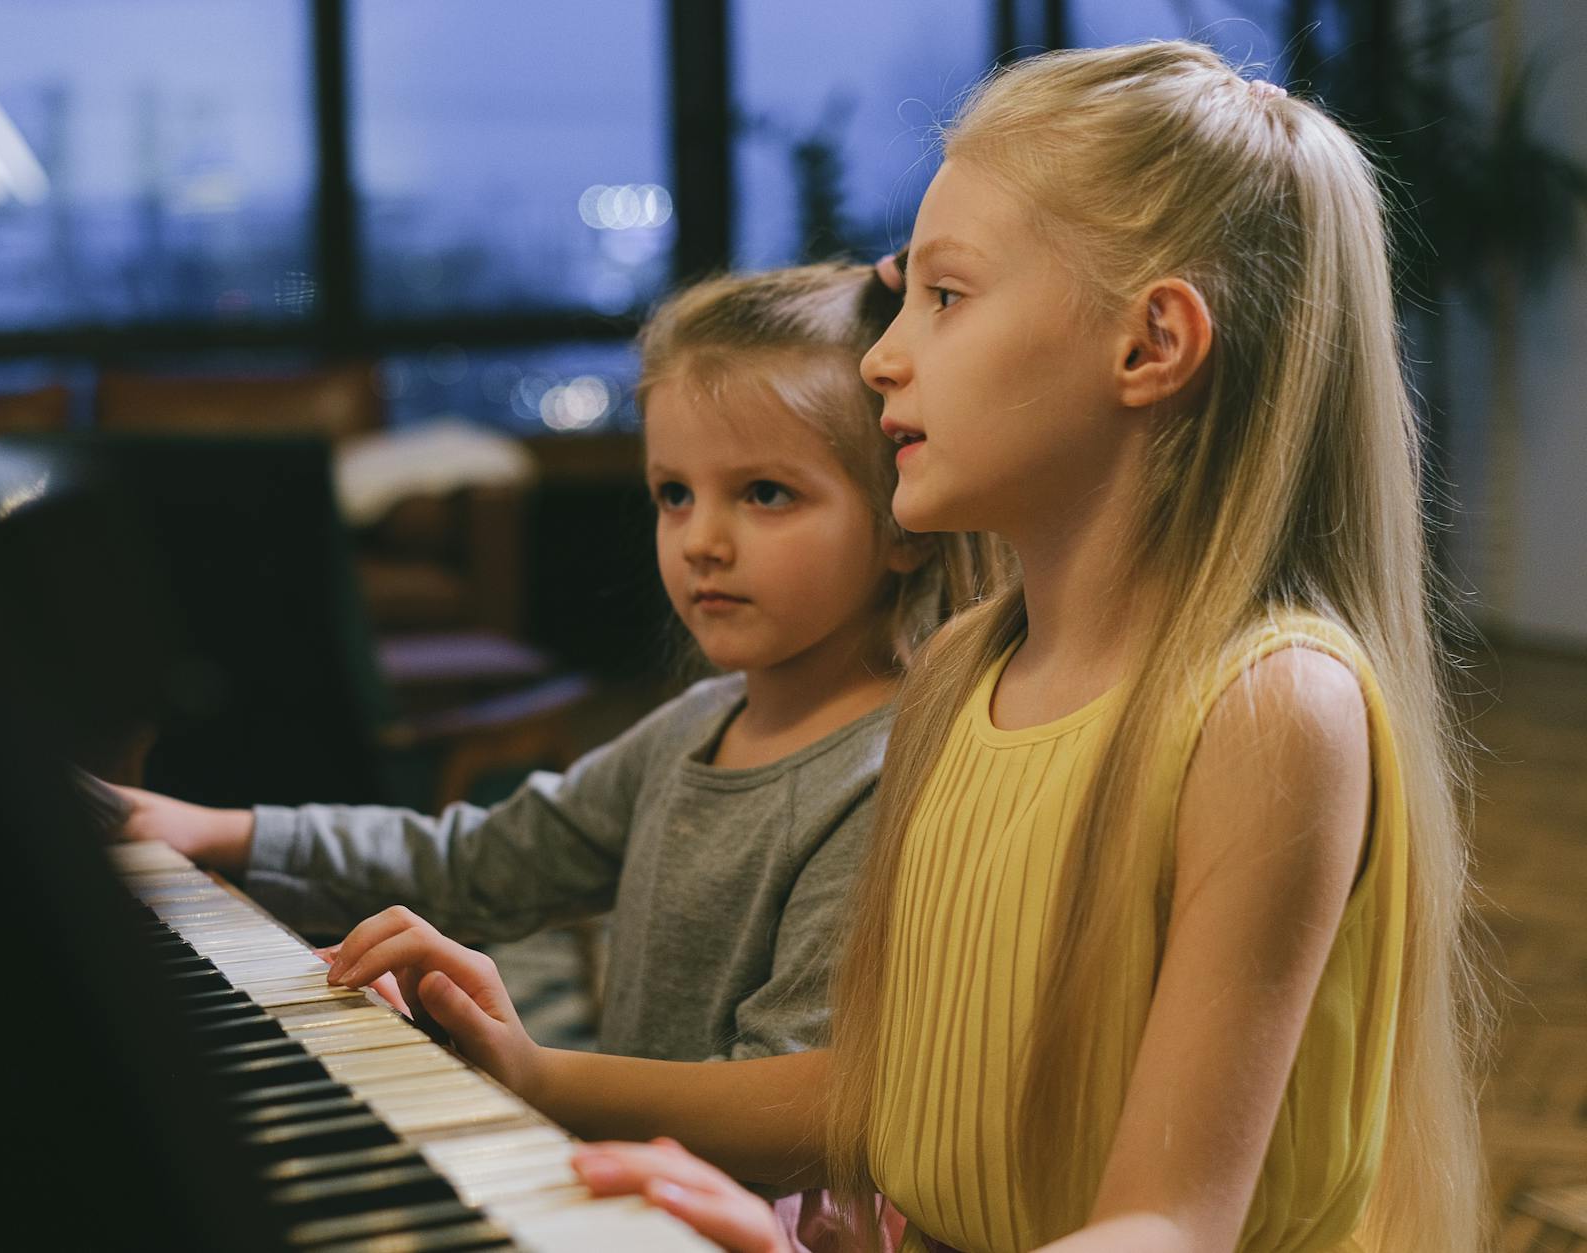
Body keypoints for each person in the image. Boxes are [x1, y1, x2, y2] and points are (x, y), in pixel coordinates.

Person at [323, 41, 1489, 1253]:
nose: (881, 353)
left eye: (944, 295)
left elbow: (1163, 1227)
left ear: (1148, 345)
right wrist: (539, 1075)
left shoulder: (1266, 708)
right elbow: (888, 1101)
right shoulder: (961, 672)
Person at [116, 261, 992, 1075]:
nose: (701, 542)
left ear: (904, 524)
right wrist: (220, 830)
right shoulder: (697, 726)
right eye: (673, 494)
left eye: (765, 493)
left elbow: (793, 1102)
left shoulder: (884, 775)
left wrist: (530, 1073)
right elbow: (478, 862)